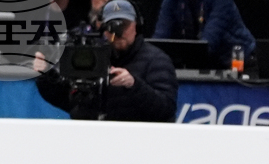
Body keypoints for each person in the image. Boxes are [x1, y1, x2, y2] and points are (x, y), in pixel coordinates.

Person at [33, 0, 177, 122]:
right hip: (95, 135)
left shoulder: (156, 59)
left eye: (124, 25)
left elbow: (166, 108)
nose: (117, 33)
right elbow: (66, 99)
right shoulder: (92, 55)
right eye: (112, 27)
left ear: (136, 25)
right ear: (102, 29)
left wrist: (134, 85)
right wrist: (47, 75)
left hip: (138, 139)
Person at [152, 0, 255, 69]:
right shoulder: (171, 2)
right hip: (205, 62)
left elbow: (209, 43)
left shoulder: (222, 2)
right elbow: (159, 39)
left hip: (238, 63)